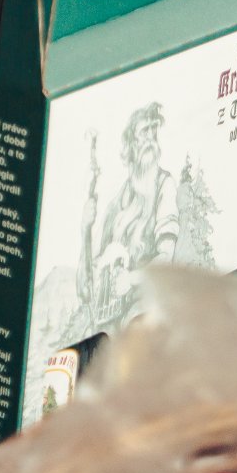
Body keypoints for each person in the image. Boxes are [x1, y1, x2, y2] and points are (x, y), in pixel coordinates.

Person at [77, 102, 179, 327]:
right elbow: (87, 289)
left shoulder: (165, 185)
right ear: (130, 145)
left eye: (154, 130)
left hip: (147, 306)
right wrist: (85, 230)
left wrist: (131, 280)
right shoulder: (116, 205)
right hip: (111, 317)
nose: (151, 138)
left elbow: (166, 257)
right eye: (144, 131)